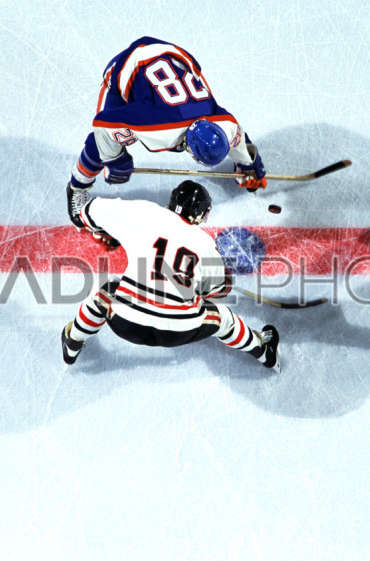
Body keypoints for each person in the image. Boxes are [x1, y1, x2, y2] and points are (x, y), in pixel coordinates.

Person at [61, 180, 281, 373]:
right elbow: (213, 291)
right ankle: (265, 353)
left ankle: (72, 344)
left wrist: (106, 231)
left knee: (104, 289)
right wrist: (220, 281)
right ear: (201, 214)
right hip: (178, 331)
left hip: (126, 323)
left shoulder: (143, 212)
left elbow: (87, 211)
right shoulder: (205, 243)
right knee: (223, 318)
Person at [67, 36, 267, 215]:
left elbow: (237, 136)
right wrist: (114, 160)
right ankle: (77, 186)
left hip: (173, 56)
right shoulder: (159, 128)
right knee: (99, 145)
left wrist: (248, 165)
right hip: (127, 65)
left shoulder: (222, 123)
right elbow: (104, 126)